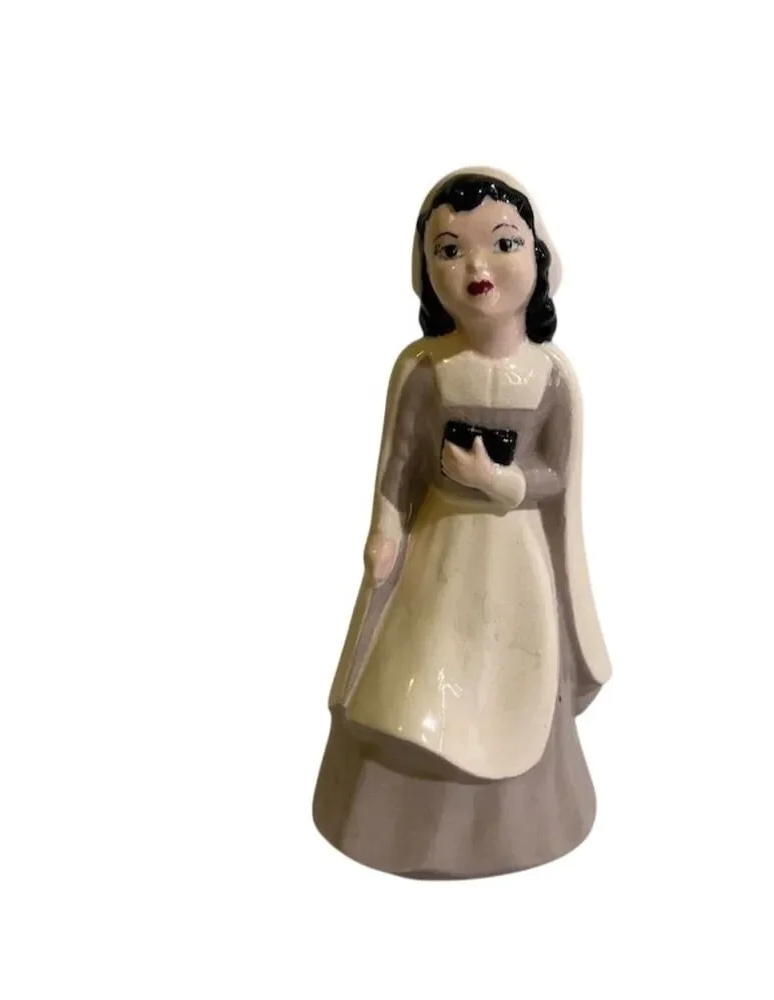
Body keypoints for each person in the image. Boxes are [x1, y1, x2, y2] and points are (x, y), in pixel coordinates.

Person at [312, 167, 612, 878]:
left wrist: (501, 482)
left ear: (538, 256)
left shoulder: (551, 377)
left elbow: (558, 476)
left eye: (502, 243)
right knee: (414, 675)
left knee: (512, 683)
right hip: (437, 555)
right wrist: (386, 528)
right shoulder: (423, 367)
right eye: (450, 250)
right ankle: (399, 822)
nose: (478, 267)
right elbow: (398, 460)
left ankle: (514, 824)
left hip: (511, 563)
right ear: (425, 271)